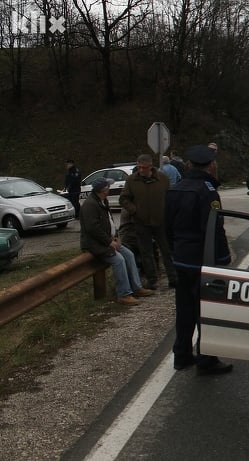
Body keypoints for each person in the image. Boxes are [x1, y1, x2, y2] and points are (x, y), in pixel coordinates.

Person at [165, 145, 233, 375]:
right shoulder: (207, 191)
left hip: (182, 259)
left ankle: (182, 356)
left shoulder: (176, 189)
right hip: (202, 260)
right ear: (210, 165)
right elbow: (214, 229)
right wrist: (223, 259)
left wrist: (175, 253)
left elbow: (166, 227)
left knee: (184, 310)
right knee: (206, 311)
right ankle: (207, 359)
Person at [80, 177, 154, 306]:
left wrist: (116, 237)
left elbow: (110, 222)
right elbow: (92, 228)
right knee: (119, 260)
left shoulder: (103, 201)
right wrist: (109, 242)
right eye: (108, 186)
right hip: (97, 244)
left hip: (109, 241)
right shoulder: (90, 205)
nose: (109, 188)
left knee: (129, 255)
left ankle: (136, 287)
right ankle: (123, 294)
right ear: (103, 189)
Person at [119, 154, 178, 290]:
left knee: (166, 251)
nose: (140, 170)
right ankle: (152, 280)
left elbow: (170, 197)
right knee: (146, 253)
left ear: (150, 167)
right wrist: (134, 210)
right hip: (141, 222)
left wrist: (169, 214)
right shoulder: (131, 180)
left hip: (161, 221)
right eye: (138, 167)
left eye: (143, 168)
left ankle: (173, 278)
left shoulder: (162, 178)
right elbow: (124, 199)